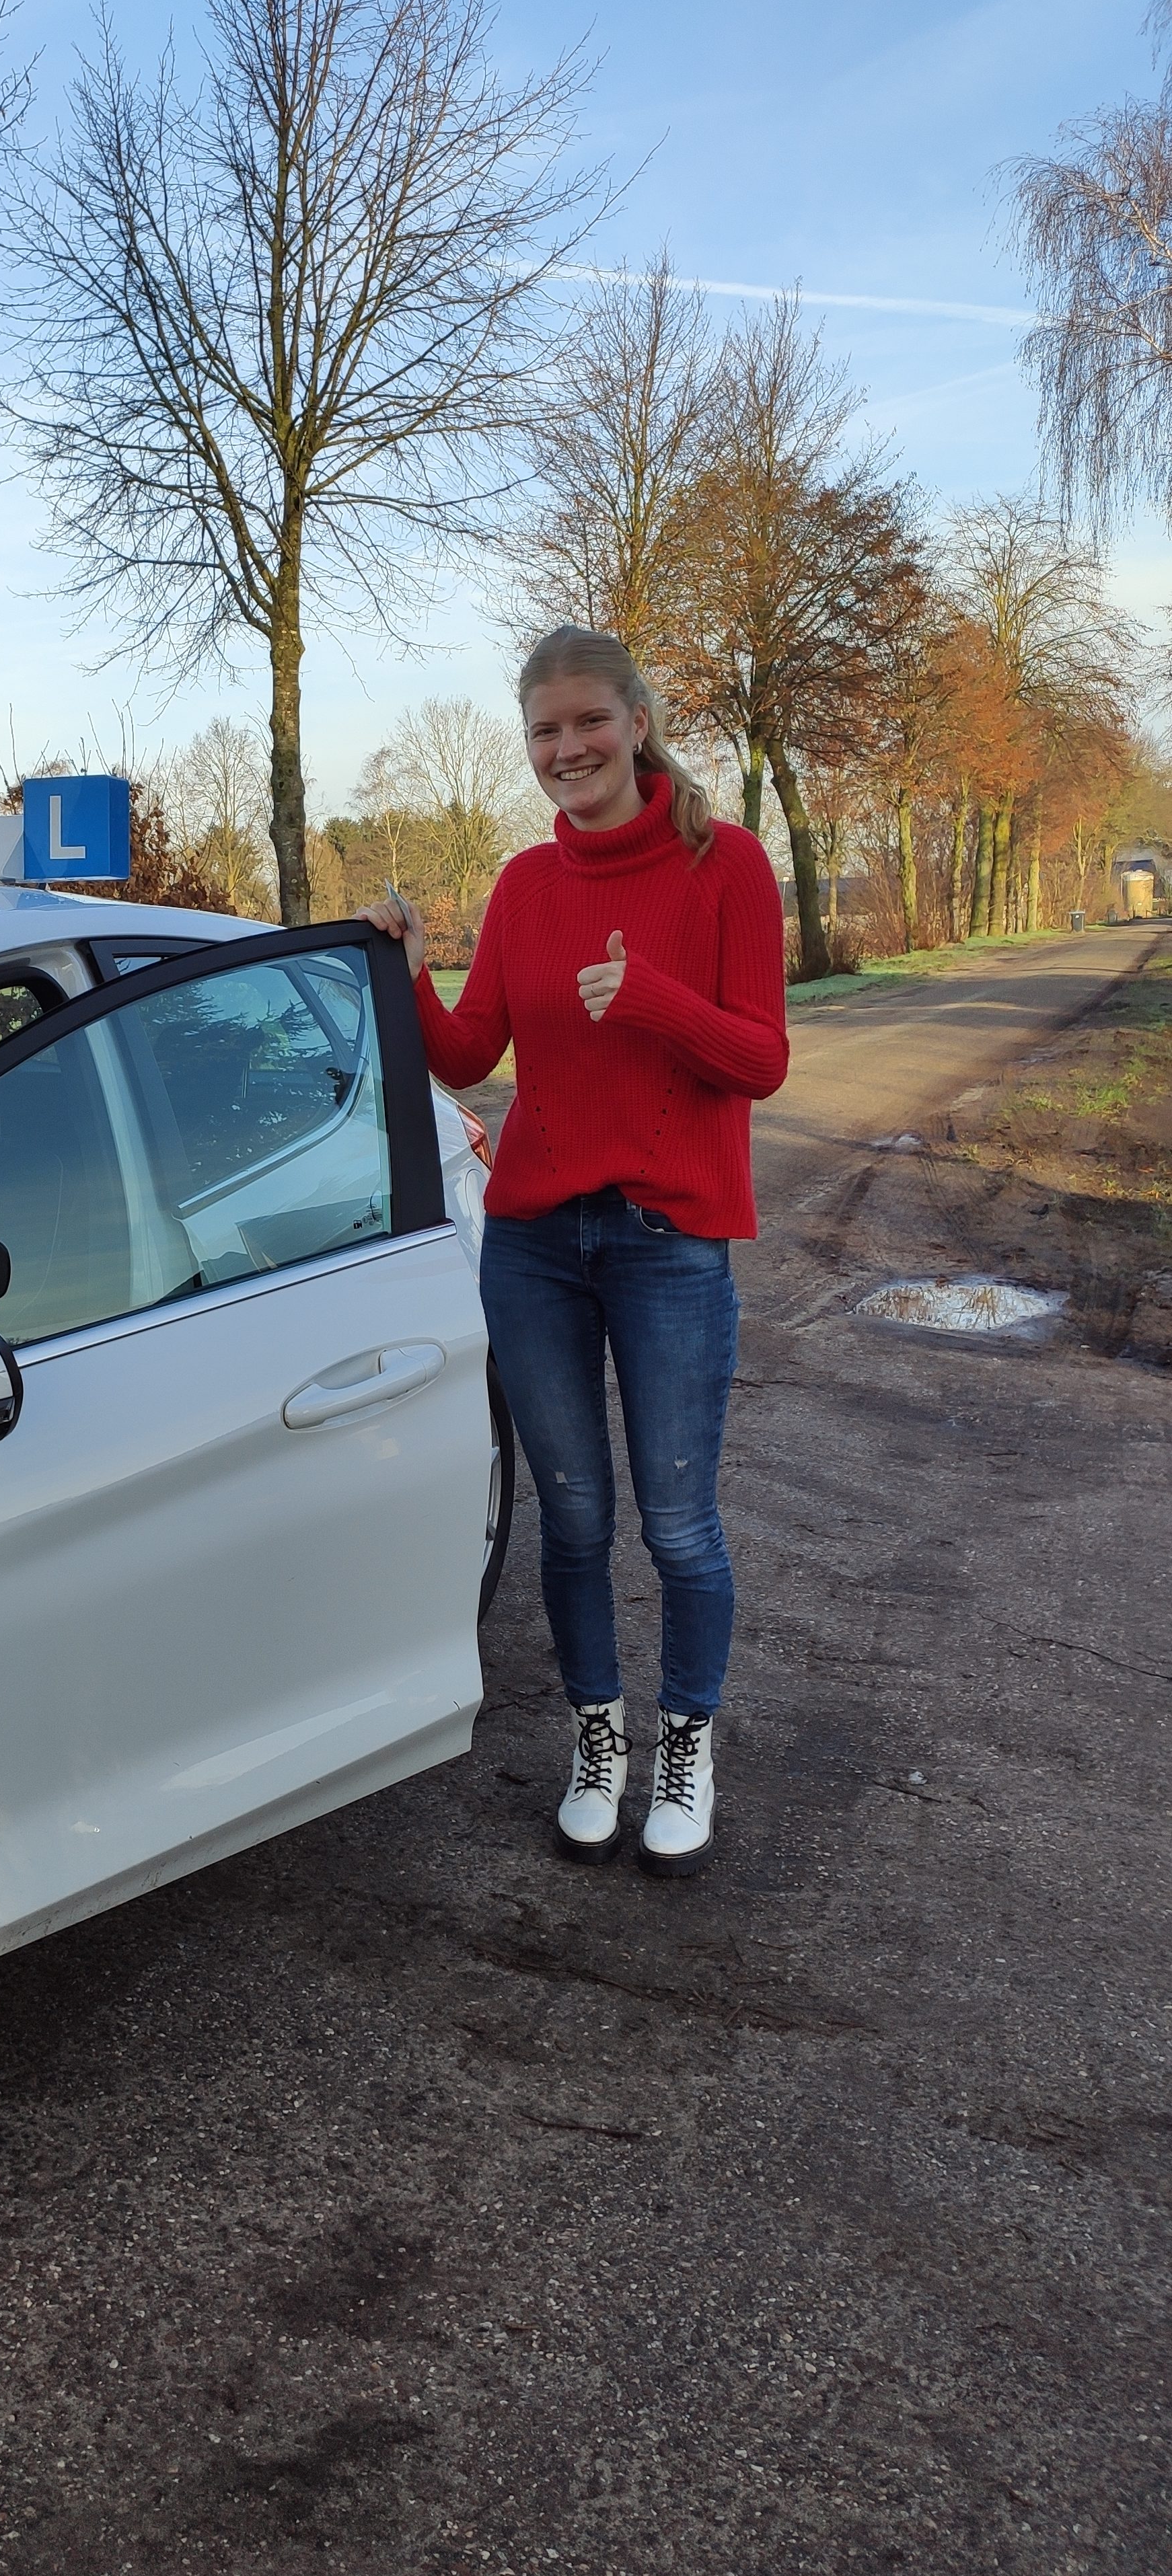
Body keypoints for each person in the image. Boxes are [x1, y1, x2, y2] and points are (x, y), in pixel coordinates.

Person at [363, 627, 788, 1874]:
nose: (567, 750)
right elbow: (466, 1057)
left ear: (638, 723)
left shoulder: (730, 866)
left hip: (669, 1245)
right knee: (572, 1515)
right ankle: (597, 1741)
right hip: (536, 1242)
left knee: (678, 1524)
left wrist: (648, 994)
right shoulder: (526, 887)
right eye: (545, 732)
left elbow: (762, 1058)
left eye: (588, 723)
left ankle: (687, 1746)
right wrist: (405, 975)